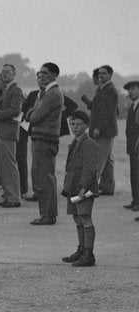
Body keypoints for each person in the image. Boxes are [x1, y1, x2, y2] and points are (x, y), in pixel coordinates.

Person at [60, 109, 100, 267]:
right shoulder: (75, 141)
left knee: (85, 217)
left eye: (78, 124)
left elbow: (90, 168)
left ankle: (89, 253)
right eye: (72, 124)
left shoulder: (89, 143)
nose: (74, 127)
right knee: (77, 217)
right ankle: (82, 249)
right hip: (73, 187)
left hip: (84, 188)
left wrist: (83, 186)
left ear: (86, 125)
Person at [28, 62, 65, 225]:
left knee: (45, 177)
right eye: (39, 73)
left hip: (45, 139)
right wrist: (33, 112)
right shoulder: (46, 93)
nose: (41, 76)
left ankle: (48, 215)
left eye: (45, 73)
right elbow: (32, 113)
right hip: (41, 138)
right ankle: (46, 213)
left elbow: (34, 117)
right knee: (42, 176)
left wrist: (33, 112)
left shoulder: (52, 93)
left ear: (54, 75)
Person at [0, 63, 23, 207]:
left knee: (9, 165)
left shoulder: (16, 90)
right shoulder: (7, 89)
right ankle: (9, 195)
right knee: (4, 166)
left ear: (14, 73)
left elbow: (15, 110)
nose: (4, 74)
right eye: (2, 72)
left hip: (8, 132)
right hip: (3, 131)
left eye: (7, 72)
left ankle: (14, 197)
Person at [89, 64, 119, 196]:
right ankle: (107, 186)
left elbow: (108, 112)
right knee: (107, 160)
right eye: (99, 73)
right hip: (106, 130)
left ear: (110, 75)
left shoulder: (110, 90)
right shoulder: (102, 89)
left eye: (104, 73)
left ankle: (92, 188)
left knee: (99, 159)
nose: (100, 76)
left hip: (104, 130)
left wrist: (98, 128)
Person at [124, 80, 139, 212]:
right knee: (134, 174)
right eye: (129, 89)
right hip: (132, 146)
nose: (130, 92)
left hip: (137, 146)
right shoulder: (133, 106)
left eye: (133, 89)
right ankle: (136, 200)